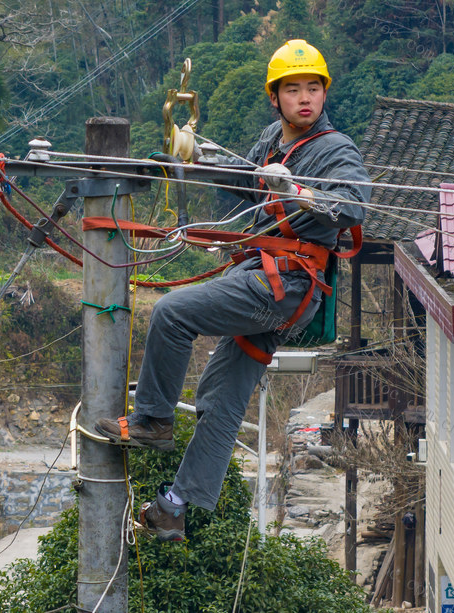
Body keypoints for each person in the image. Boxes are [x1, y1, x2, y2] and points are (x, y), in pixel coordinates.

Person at [95, 40, 371, 542]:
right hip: (262, 278)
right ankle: (175, 507)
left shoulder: (336, 150)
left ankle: (153, 419)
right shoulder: (272, 139)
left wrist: (300, 192)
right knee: (219, 399)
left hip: (286, 284)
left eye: (313, 88)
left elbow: (353, 206)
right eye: (294, 90)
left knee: (173, 314)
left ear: (325, 92)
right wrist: (197, 158)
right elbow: (247, 183)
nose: (305, 98)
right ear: (276, 97)